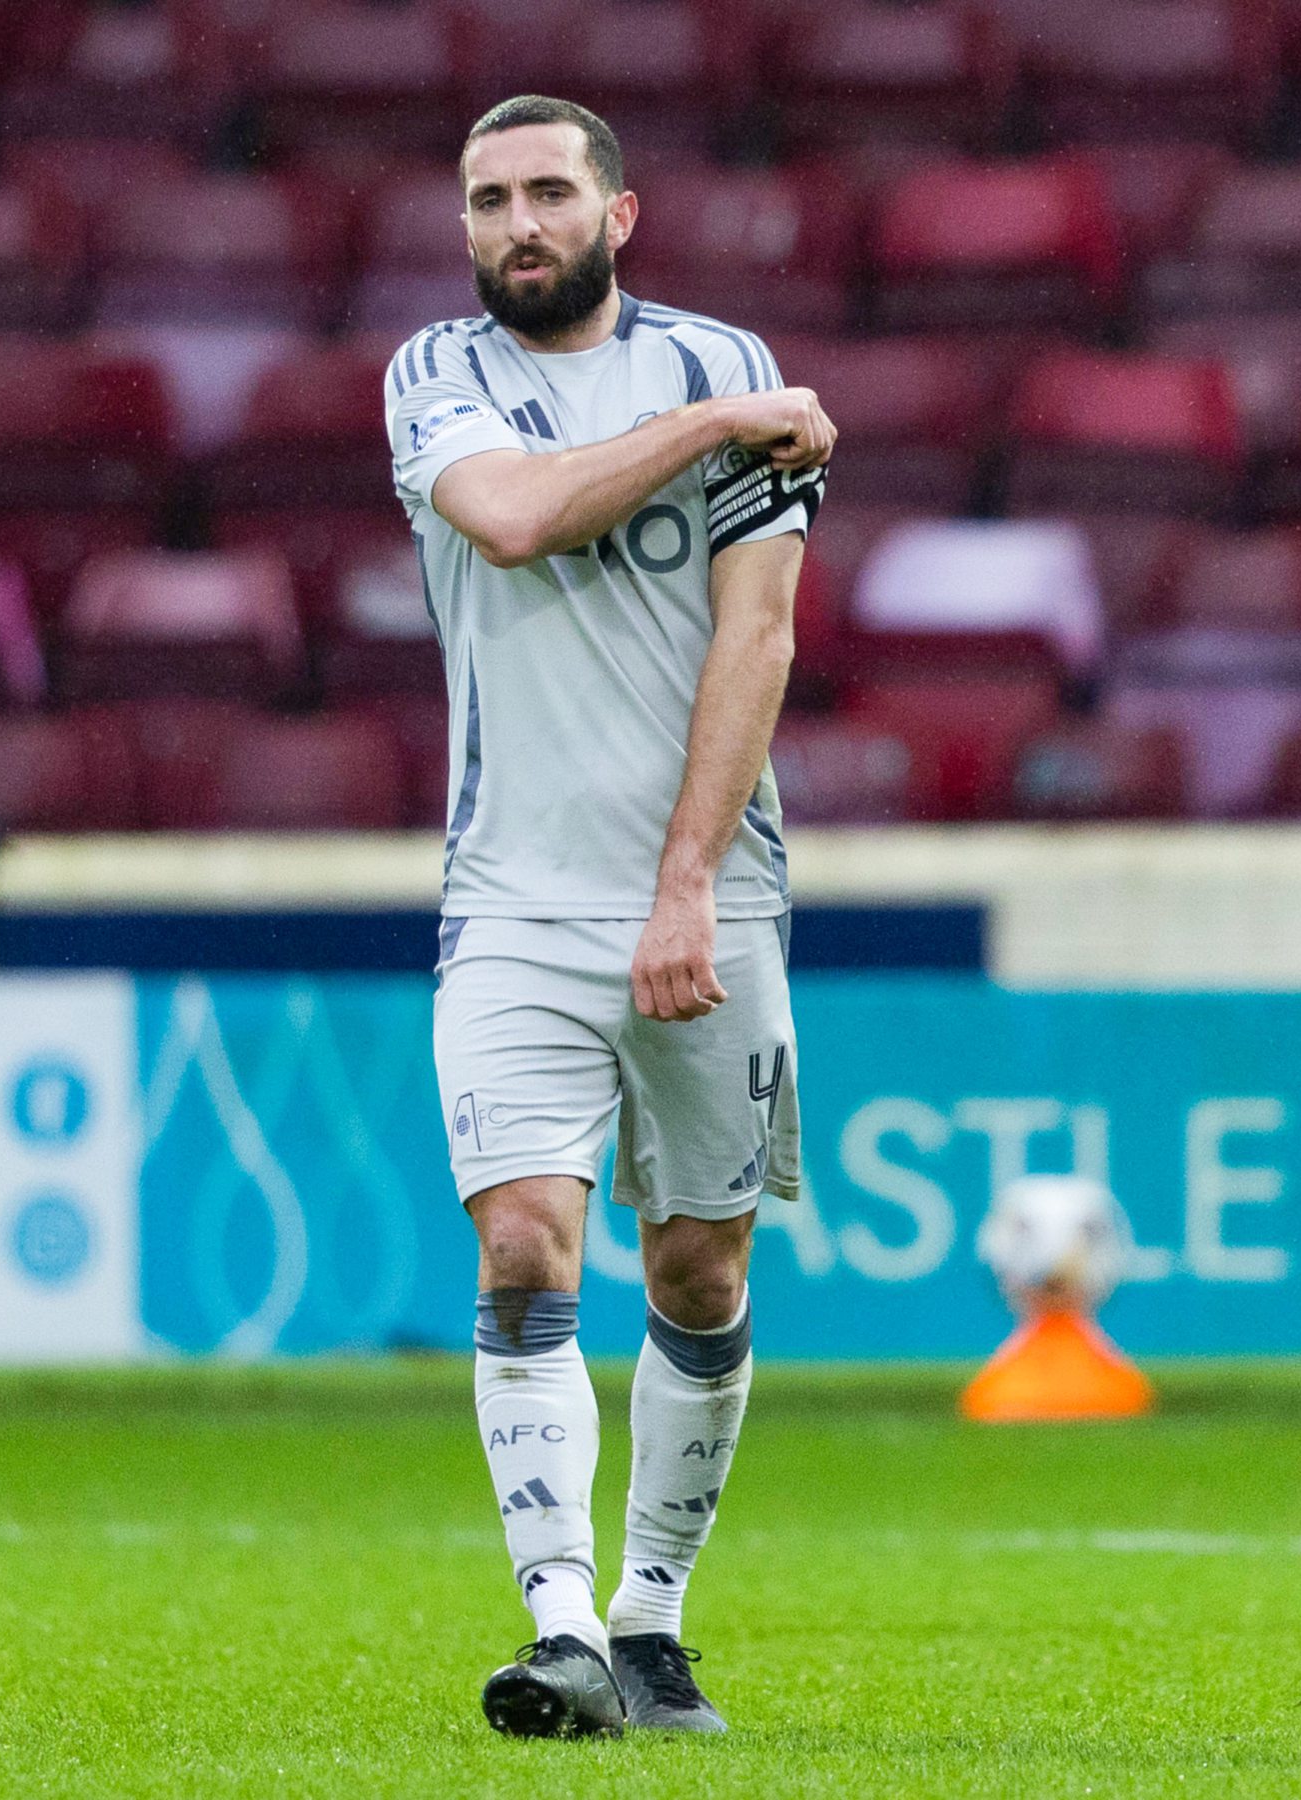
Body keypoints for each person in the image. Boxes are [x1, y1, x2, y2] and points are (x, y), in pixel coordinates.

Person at [384, 93, 835, 1740]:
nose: (520, 222)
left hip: (713, 894)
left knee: (701, 1269)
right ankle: (560, 1623)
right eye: (492, 197)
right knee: (521, 1244)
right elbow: (511, 516)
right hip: (506, 896)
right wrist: (731, 433)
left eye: (551, 192)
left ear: (619, 214)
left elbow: (758, 645)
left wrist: (684, 886)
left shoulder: (719, 361)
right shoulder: (438, 375)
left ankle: (653, 1619)